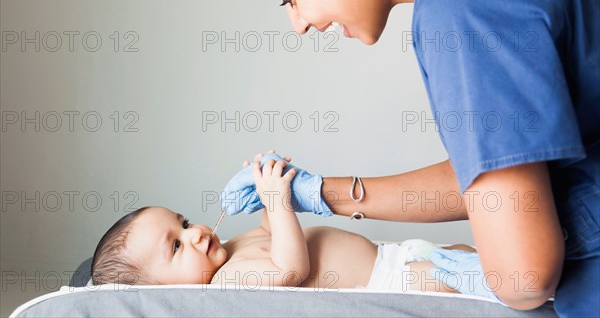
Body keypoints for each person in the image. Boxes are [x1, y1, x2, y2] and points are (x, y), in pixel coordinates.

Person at [225, 0, 600, 317]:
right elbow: (510, 170)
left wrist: (484, 272)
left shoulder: (461, 3)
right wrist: (320, 193)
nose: (299, 23)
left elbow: (524, 278)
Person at [91, 157, 477, 293]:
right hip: (389, 281)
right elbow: (290, 269)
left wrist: (268, 185)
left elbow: (273, 232)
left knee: (467, 256)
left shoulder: (232, 247)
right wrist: (277, 202)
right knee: (463, 278)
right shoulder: (229, 280)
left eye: (184, 222)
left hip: (394, 255)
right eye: (176, 246)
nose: (194, 233)